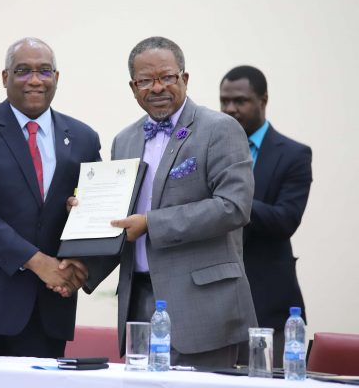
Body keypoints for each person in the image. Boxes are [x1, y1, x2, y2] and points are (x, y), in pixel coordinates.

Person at [73, 37, 257, 368]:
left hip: (204, 306)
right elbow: (123, 223)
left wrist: (151, 223)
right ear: (133, 87)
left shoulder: (220, 129)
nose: (157, 87)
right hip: (139, 302)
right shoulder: (125, 140)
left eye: (167, 77)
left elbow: (234, 206)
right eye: (146, 80)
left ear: (184, 79)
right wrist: (84, 243)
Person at [0, 37, 101, 357]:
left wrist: (81, 265)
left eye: (44, 71)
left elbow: (93, 208)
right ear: (5, 77)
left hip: (48, 310)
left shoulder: (83, 137)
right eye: (23, 71)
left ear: (57, 77)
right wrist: (40, 264)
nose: (35, 80)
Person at [219, 65, 312, 366]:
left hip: (269, 301)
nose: (230, 109)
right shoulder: (211, 151)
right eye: (224, 101)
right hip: (215, 301)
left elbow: (286, 219)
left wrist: (233, 202)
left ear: (263, 100)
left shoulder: (294, 154)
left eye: (240, 101)